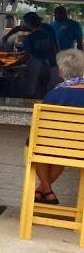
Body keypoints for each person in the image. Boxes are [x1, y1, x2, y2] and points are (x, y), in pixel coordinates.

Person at [33, 48, 84, 205]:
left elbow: (42, 128)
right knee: (61, 150)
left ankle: (44, 189)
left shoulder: (54, 94)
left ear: (61, 71)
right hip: (80, 148)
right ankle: (45, 190)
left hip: (56, 145)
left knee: (38, 144)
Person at [3, 12, 58, 98]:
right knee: (47, 89)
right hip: (52, 65)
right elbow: (53, 47)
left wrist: (9, 66)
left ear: (28, 24)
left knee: (32, 91)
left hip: (37, 67)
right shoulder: (48, 31)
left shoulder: (30, 38)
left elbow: (26, 58)